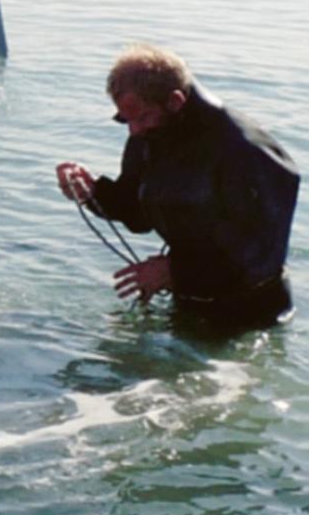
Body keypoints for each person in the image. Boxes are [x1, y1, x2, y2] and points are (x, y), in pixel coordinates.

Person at [56, 44, 299, 331]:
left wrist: (173, 271)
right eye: (126, 119)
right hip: (190, 302)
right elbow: (139, 213)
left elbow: (260, 254)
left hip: (252, 315)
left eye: (142, 117)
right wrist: (93, 193)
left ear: (175, 101)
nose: (134, 130)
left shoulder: (244, 149)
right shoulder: (153, 134)